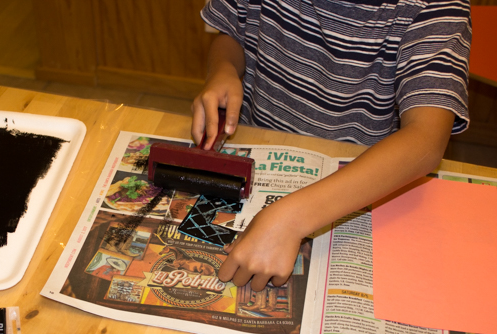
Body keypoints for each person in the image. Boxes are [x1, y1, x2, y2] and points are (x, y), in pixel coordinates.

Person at [192, 0, 471, 292]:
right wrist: (222, 70)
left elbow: (426, 139)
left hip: (360, 182)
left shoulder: (435, 6)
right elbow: (230, 31)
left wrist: (291, 220)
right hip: (259, 141)